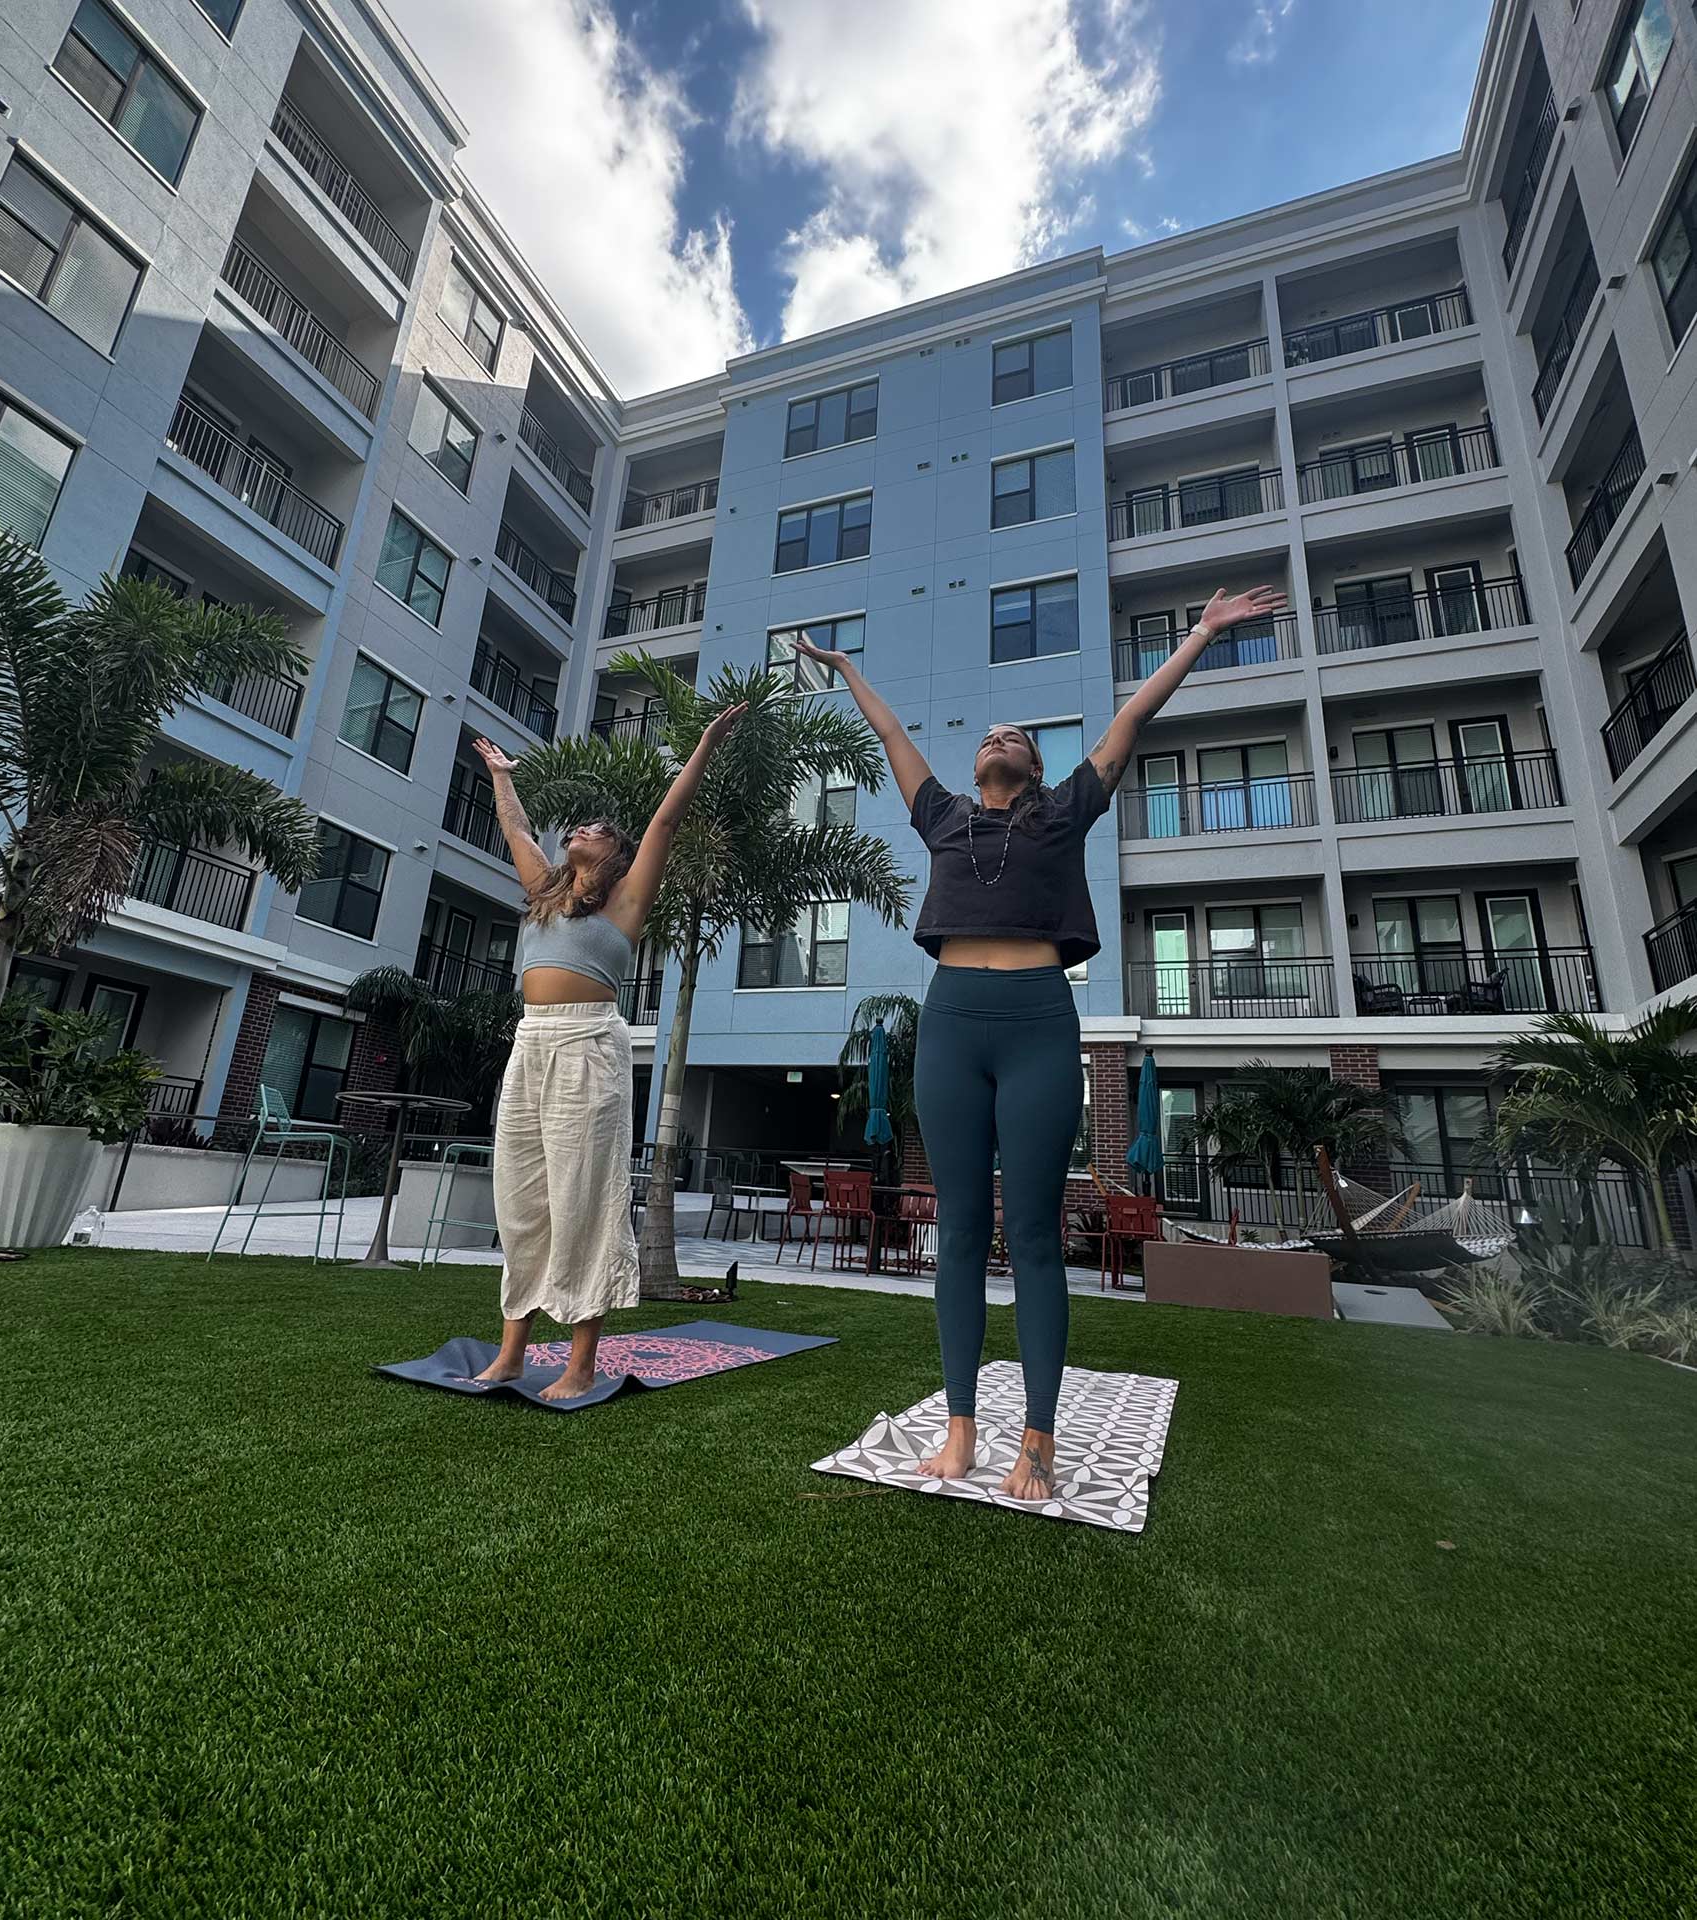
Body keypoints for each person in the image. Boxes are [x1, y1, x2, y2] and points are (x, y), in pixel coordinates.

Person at [794, 586, 1285, 1498]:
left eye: (1016, 735)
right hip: (949, 1022)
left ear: (1033, 763)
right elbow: (891, 736)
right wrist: (847, 669)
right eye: (990, 735)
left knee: (1030, 1231)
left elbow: (1132, 717)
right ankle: (959, 1429)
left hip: (1035, 1023)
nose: (1001, 736)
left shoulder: (1062, 812)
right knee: (959, 1231)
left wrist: (1200, 633)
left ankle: (1039, 1438)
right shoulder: (942, 816)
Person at [467, 706, 745, 1398]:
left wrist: (705, 744)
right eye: (578, 827)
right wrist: (502, 776)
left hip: (589, 1042)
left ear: (613, 857)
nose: (580, 830)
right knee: (522, 1198)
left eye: (595, 830)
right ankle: (511, 1352)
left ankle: (581, 1362)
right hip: (530, 1042)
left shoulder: (624, 904)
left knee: (583, 1199)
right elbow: (516, 827)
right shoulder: (543, 893)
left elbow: (664, 824)